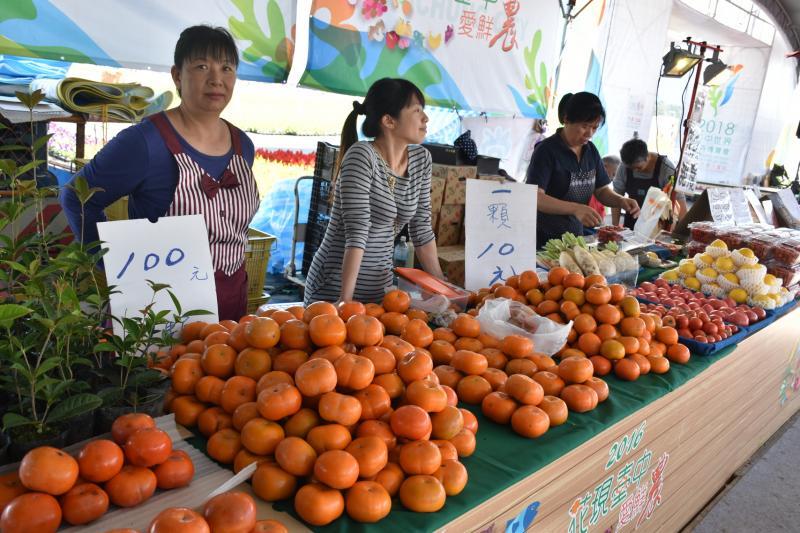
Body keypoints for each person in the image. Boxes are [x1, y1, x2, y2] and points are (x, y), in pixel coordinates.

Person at [61, 25, 259, 320]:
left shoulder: (243, 146)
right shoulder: (145, 143)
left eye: (227, 68)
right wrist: (114, 266)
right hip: (160, 310)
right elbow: (76, 197)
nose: (216, 79)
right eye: (202, 66)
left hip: (231, 303)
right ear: (177, 75)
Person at [304, 78, 444, 305]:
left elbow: (421, 228)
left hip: (379, 287)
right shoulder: (362, 156)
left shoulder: (421, 160)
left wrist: (442, 286)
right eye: (417, 110)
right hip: (335, 285)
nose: (425, 118)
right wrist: (345, 300)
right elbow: (357, 231)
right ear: (389, 120)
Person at [525, 92, 639, 247]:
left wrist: (621, 200)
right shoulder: (546, 151)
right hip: (543, 240)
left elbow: (602, 190)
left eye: (594, 127)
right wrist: (575, 208)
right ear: (566, 119)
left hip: (574, 238)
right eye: (584, 126)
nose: (589, 133)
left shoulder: (590, 151)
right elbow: (536, 197)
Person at [612, 138, 687, 229]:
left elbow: (679, 200)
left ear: (647, 157)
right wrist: (614, 226)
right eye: (631, 168)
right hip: (631, 221)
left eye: (638, 168)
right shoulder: (624, 167)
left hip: (656, 225)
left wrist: (682, 231)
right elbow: (616, 197)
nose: (634, 171)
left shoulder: (666, 169)